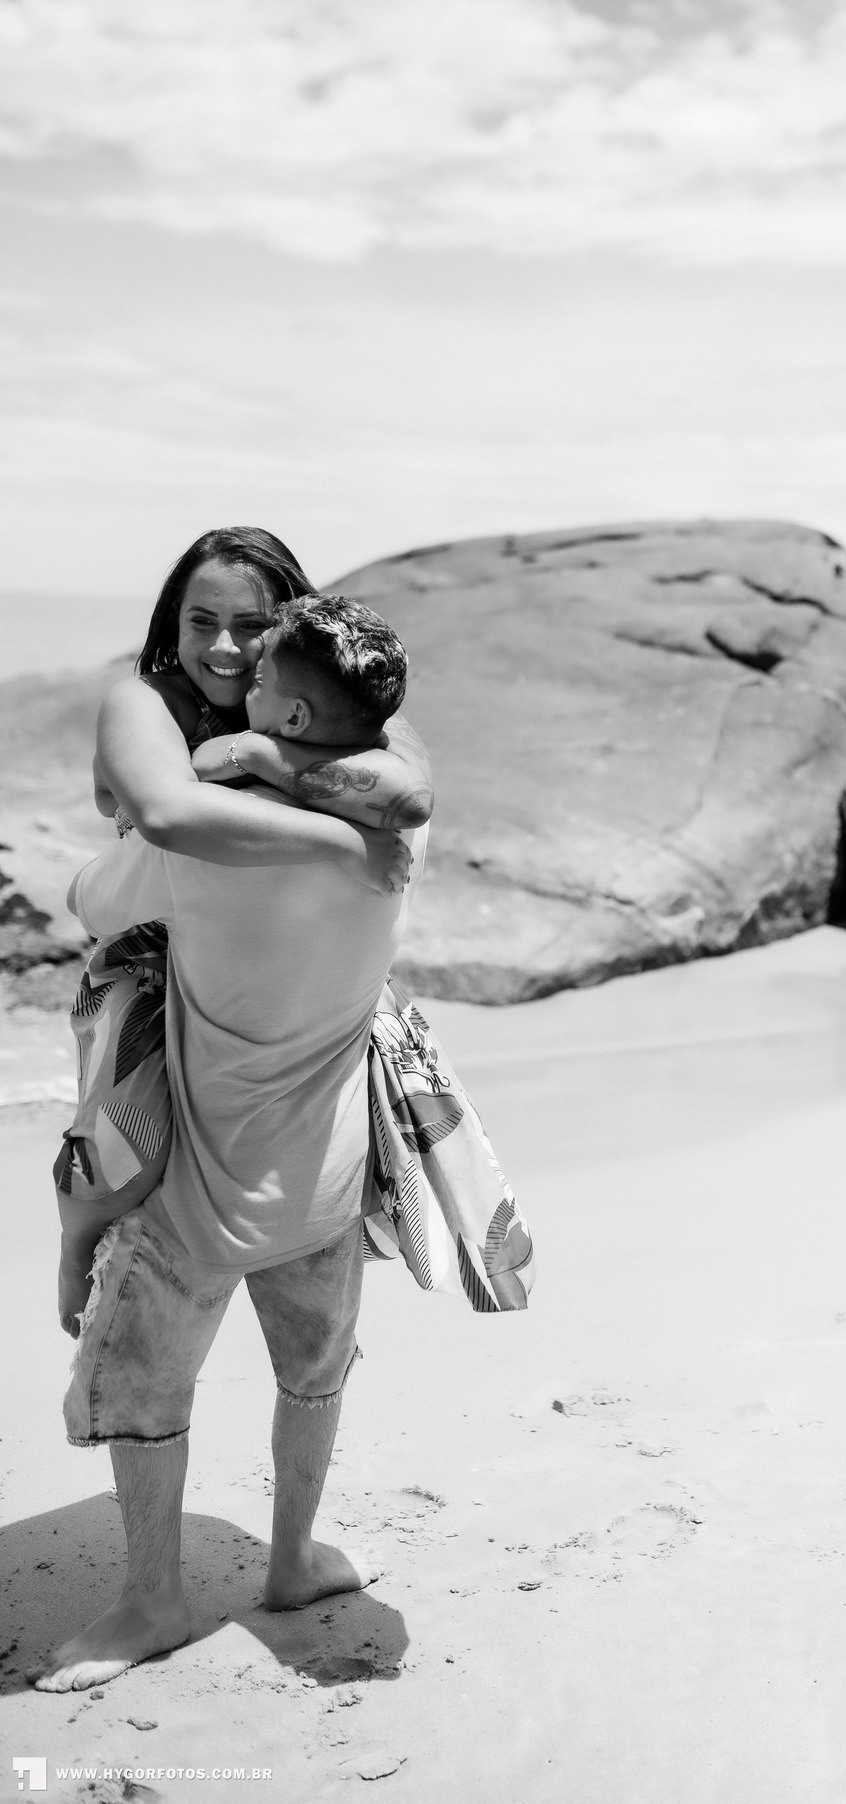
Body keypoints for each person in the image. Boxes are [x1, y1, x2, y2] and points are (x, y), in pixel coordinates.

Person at [32, 595, 426, 1693]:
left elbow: (92, 899)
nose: (236, 675)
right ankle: (294, 1561)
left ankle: (154, 1598)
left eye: (260, 676)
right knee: (314, 1373)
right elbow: (395, 787)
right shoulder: (399, 840)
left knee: (149, 1391)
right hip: (328, 1171)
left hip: (201, 1184)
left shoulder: (211, 844)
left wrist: (180, 789)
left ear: (290, 712)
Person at [53, 526, 434, 1308]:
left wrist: (263, 757)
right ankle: (75, 1247)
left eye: (251, 626)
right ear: (173, 624)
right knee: (122, 1140)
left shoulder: (320, 701)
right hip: (156, 946)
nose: (224, 648)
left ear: (287, 630)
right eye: (202, 622)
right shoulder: (144, 703)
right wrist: (343, 841)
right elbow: (168, 813)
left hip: (278, 967)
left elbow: (410, 792)